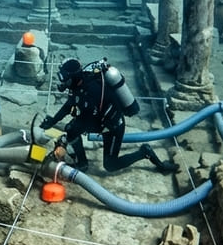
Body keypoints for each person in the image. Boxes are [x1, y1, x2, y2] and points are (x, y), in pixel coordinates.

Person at [40, 58, 178, 173]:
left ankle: (144, 152)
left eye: (66, 79)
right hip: (99, 120)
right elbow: (69, 105)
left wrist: (67, 136)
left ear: (74, 78)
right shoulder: (79, 84)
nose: (64, 83)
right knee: (72, 129)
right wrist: (53, 121)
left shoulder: (91, 90)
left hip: (113, 126)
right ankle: (82, 164)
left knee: (110, 165)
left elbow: (88, 119)